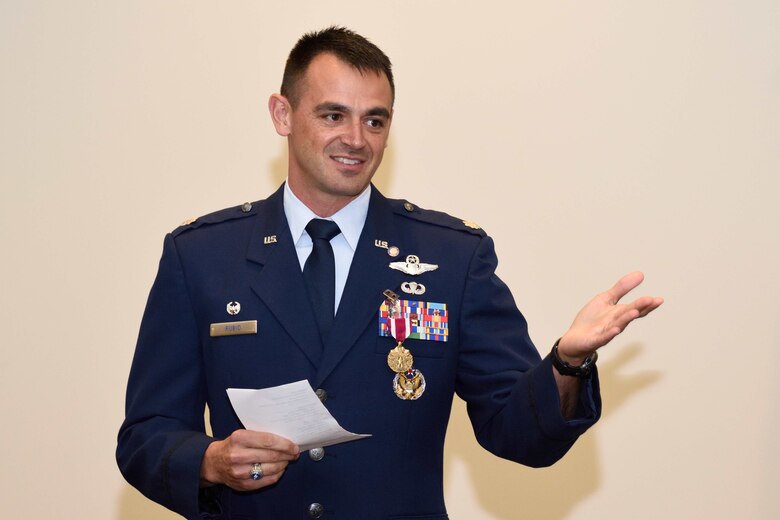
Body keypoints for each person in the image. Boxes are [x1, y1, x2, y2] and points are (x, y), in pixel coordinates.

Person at [117, 27, 663, 519]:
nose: (356, 138)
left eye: (374, 120)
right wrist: (210, 460)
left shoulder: (452, 258)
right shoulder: (203, 257)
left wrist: (568, 361)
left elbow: (521, 436)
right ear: (283, 115)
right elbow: (146, 436)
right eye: (333, 115)